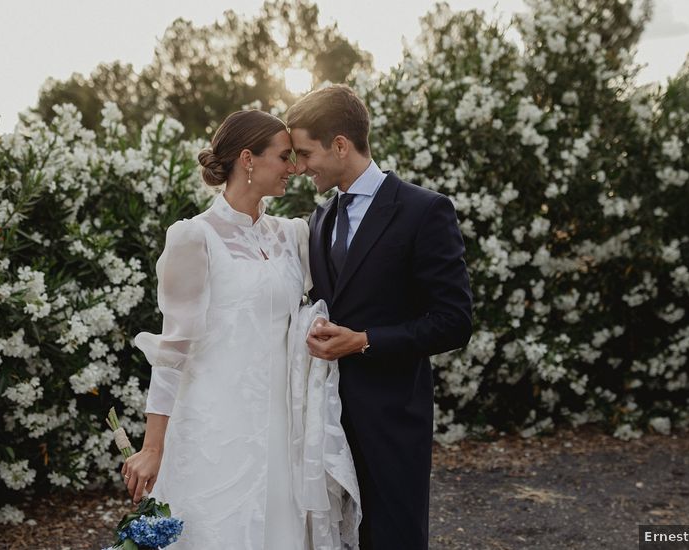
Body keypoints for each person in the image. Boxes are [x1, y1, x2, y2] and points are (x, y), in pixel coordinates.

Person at [124, 109, 360, 549]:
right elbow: (173, 350)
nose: (294, 168)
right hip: (216, 424)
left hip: (282, 424)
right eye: (284, 157)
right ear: (247, 159)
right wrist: (153, 446)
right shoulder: (194, 238)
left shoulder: (292, 236)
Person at [288, 85, 474, 550]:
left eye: (305, 153)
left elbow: (454, 320)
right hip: (326, 419)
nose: (299, 166)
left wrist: (364, 340)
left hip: (393, 417)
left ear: (340, 145)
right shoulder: (320, 219)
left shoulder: (423, 210)